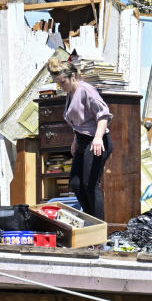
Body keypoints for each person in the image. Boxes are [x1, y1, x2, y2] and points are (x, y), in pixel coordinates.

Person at [47, 57, 113, 220]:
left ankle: (98, 229)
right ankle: (91, 220)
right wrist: (75, 140)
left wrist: (97, 138)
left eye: (63, 82)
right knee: (76, 184)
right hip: (83, 142)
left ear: (73, 76)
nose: (61, 87)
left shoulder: (86, 90)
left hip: (97, 141)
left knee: (90, 185)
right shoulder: (71, 93)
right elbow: (80, 122)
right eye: (58, 84)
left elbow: (103, 114)